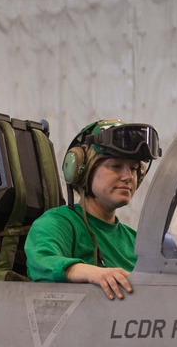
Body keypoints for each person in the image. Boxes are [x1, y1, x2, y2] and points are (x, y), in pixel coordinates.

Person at [24, 119, 161, 300]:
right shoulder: (59, 223)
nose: (128, 176)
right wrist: (92, 273)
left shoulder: (135, 241)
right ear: (82, 170)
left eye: (134, 169)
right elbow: (40, 262)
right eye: (116, 166)